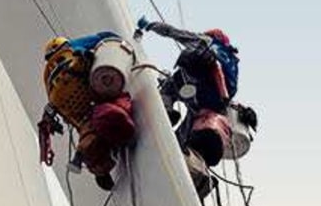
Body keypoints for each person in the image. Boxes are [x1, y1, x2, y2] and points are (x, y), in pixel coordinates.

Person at [136, 18, 258, 196]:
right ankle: (191, 174)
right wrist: (224, 97)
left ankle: (167, 113)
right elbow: (220, 78)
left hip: (196, 90)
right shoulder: (229, 59)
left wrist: (149, 25)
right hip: (210, 102)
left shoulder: (203, 41)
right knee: (182, 141)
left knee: (168, 92)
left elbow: (172, 32)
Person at [39, 33, 137, 190]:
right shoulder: (72, 48)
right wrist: (120, 42)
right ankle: (102, 163)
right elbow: (102, 37)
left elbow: (55, 105)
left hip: (86, 114)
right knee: (112, 113)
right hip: (99, 100)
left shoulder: (50, 78)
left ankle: (100, 169)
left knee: (90, 137)